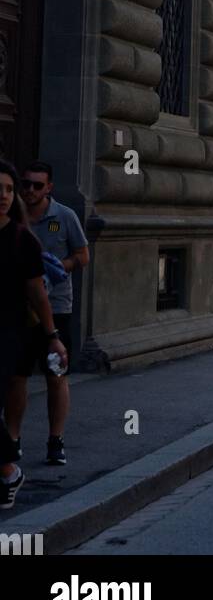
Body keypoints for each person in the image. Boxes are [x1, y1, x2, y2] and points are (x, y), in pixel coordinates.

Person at [5, 161, 88, 468]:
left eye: (37, 185)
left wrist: (55, 269)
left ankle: (56, 440)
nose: (30, 190)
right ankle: (13, 441)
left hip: (56, 309)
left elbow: (83, 256)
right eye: (25, 184)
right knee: (17, 377)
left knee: (56, 375)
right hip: (20, 313)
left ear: (49, 188)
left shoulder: (62, 217)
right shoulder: (13, 220)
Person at [0, 161, 68, 508]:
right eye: (13, 187)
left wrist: (53, 334)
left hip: (12, 330)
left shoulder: (22, 238)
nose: (8, 195)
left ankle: (13, 463)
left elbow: (38, 294)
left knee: (37, 381)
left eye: (10, 190)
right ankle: (8, 464)